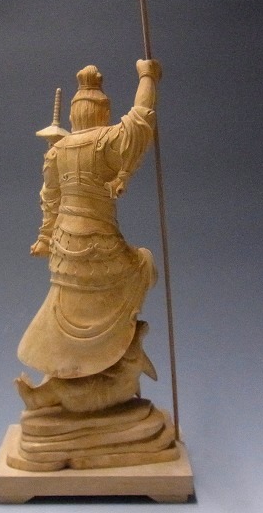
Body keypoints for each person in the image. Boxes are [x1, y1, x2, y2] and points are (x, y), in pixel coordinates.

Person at [16, 59, 162, 412]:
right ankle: (94, 368)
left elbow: (50, 198)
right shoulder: (108, 140)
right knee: (143, 265)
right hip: (101, 246)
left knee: (70, 296)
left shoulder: (58, 150)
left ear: (73, 114)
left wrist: (45, 238)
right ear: (103, 111)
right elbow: (141, 118)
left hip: (64, 250)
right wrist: (147, 76)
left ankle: (74, 378)